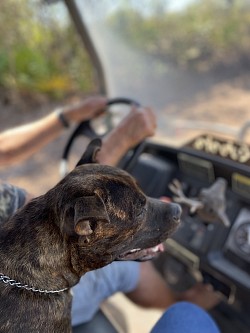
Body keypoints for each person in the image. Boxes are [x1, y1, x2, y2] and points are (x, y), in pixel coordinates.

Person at [0, 96, 221, 331]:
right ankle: (180, 302)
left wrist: (67, 116)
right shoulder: (37, 318)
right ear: (85, 227)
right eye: (139, 212)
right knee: (184, 314)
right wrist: (121, 139)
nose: (173, 211)